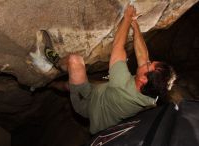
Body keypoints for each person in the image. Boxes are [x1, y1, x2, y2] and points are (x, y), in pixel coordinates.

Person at [45, 5, 176, 134]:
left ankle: (56, 69)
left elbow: (118, 44)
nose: (148, 61)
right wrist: (135, 23)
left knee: (73, 64)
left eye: (150, 64)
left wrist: (127, 17)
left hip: (87, 104)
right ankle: (54, 84)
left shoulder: (121, 83)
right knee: (84, 83)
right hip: (103, 97)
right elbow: (143, 56)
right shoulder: (153, 95)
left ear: (143, 79)